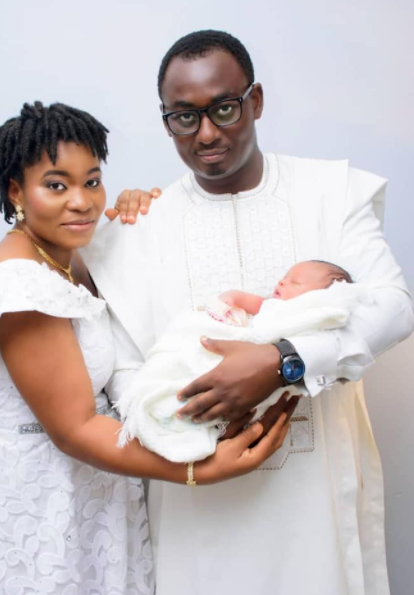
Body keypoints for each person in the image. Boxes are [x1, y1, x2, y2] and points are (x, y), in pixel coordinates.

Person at [84, 30, 414, 595]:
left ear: (255, 101)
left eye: (224, 108)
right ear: (166, 122)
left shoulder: (332, 191)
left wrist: (282, 360)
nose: (206, 133)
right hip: (196, 501)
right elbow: (123, 371)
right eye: (184, 117)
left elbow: (393, 307)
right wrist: (190, 442)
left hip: (315, 494)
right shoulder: (137, 229)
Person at [0, 101, 297, 595]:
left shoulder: (63, 255)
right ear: (16, 191)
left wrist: (132, 214)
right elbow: (75, 428)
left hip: (82, 490)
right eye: (56, 185)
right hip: (31, 505)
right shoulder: (22, 287)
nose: (81, 201)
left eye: (93, 181)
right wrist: (198, 470)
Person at [118, 260, 367, 464]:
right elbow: (247, 301)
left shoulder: (305, 317)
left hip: (265, 373)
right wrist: (231, 300)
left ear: (317, 300)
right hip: (228, 348)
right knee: (189, 348)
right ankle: (166, 406)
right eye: (284, 277)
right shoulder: (271, 306)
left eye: (295, 282)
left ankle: (177, 419)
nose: (282, 282)